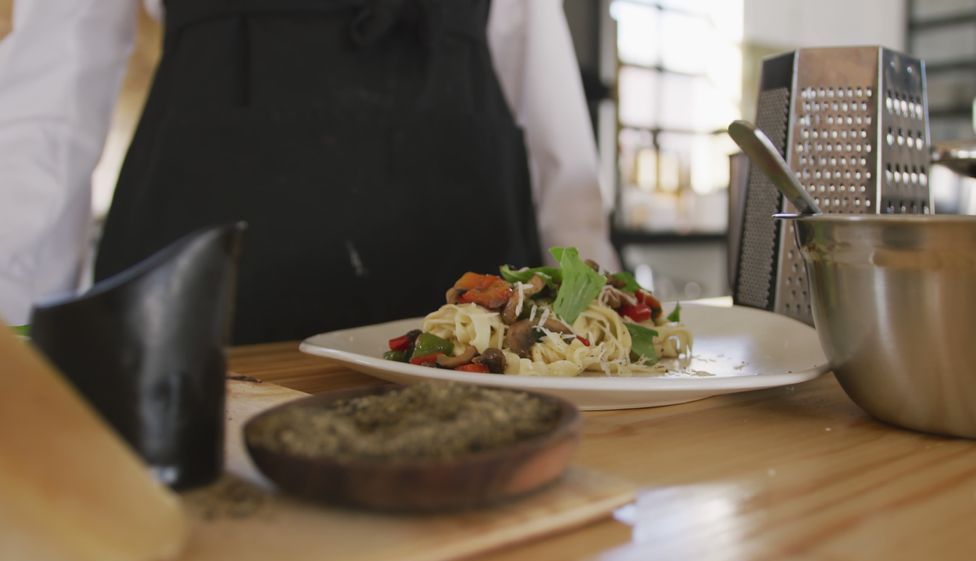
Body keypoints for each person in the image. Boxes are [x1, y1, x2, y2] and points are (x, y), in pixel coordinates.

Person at [0, 0, 618, 343]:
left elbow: (535, 62)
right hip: (201, 291)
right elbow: (49, 101)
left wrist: (594, 298)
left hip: (467, 289)